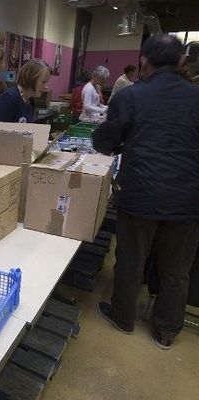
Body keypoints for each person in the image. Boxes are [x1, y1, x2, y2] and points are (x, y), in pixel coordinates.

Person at [93, 35, 199, 350]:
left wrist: (123, 142)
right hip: (188, 200)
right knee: (177, 269)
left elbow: (106, 142)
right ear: (182, 62)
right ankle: (166, 331)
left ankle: (123, 317)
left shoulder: (131, 97)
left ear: (144, 62)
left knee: (131, 258)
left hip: (140, 194)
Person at [0, 59, 51, 123]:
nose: (46, 87)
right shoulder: (9, 98)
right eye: (43, 82)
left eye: (46, 82)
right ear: (30, 79)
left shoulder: (30, 100)